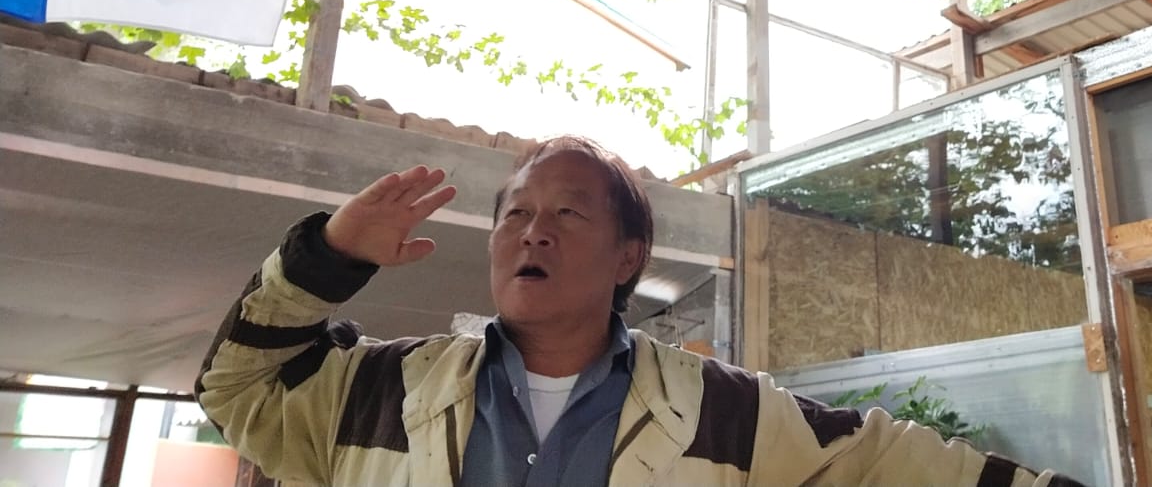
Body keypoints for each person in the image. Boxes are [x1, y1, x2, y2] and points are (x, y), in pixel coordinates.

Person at [197, 134, 1092, 486]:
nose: (532, 232)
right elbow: (235, 391)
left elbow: (892, 466)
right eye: (515, 214)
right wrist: (326, 258)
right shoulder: (379, 392)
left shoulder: (730, 414)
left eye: (567, 214)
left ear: (629, 257)